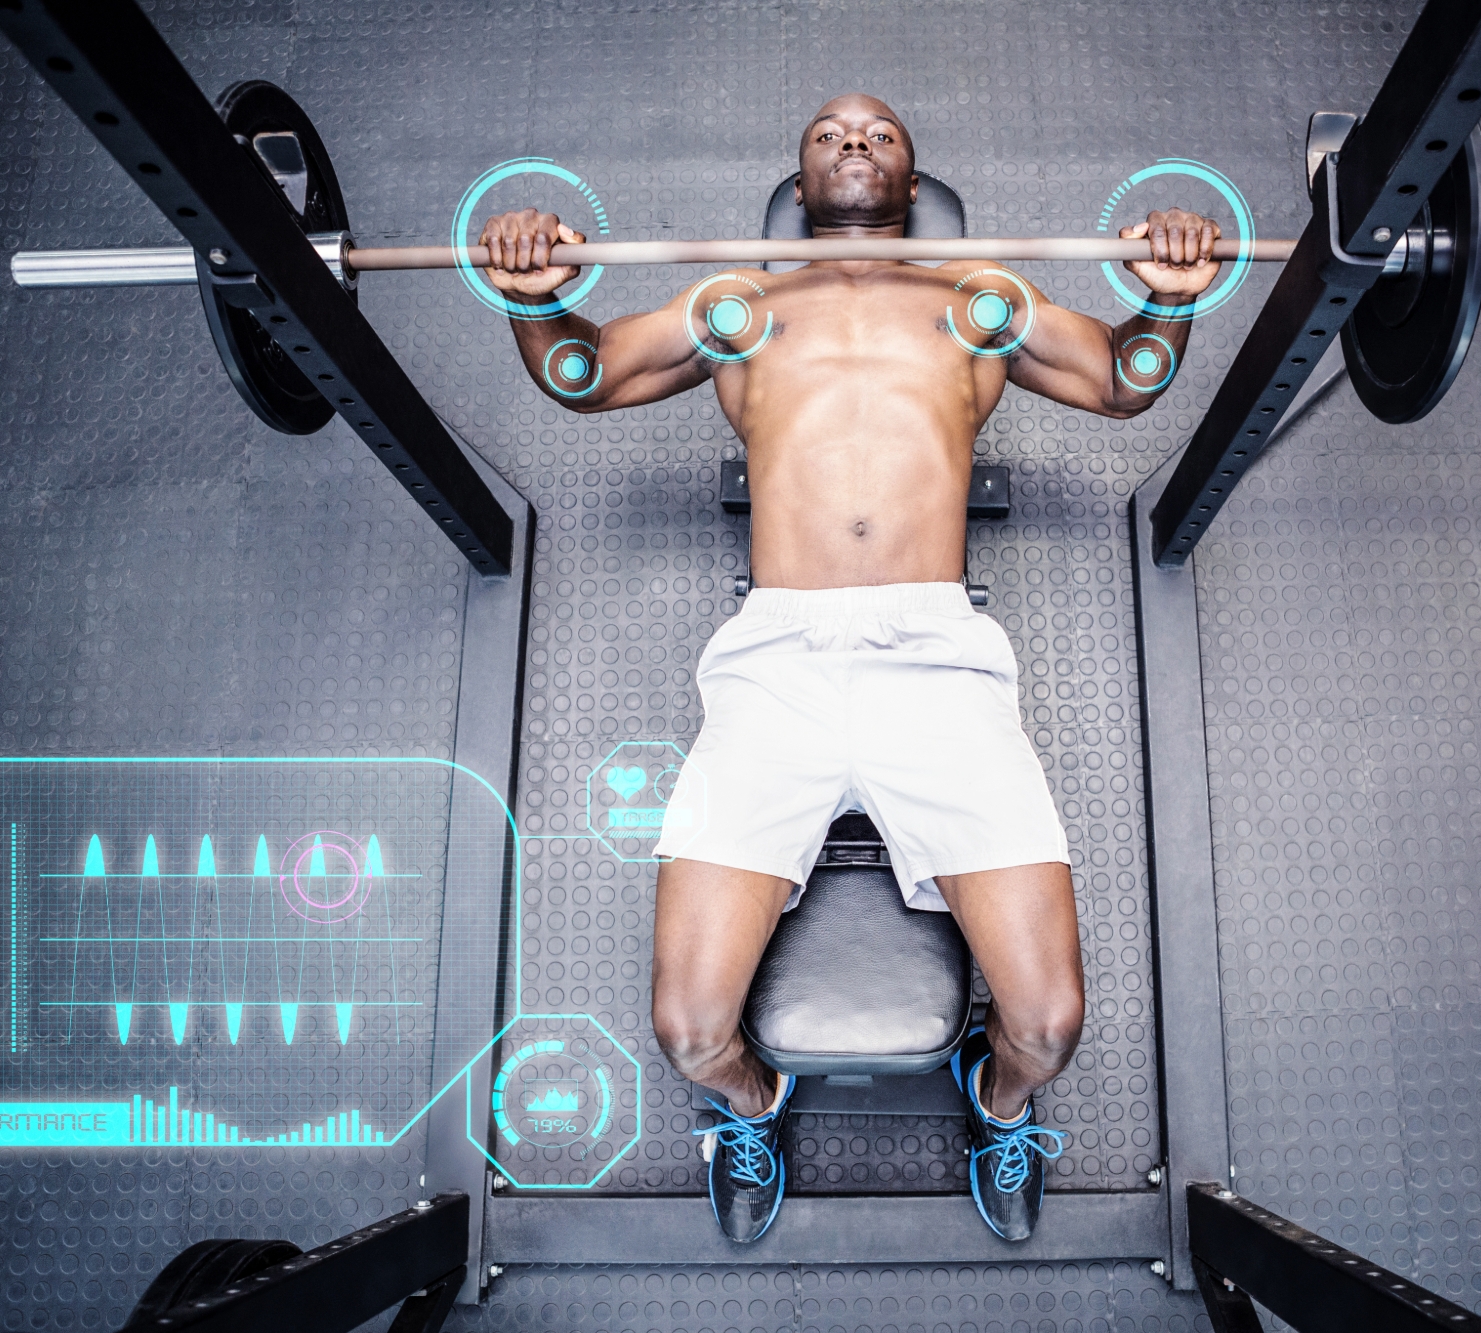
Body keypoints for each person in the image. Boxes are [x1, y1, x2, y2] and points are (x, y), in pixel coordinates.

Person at [483, 94, 1221, 1244]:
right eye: (829, 132)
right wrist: (538, 300)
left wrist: (1167, 298)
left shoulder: (978, 297)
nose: (854, 140)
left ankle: (997, 1101)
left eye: (878, 131)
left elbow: (1122, 376)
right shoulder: (740, 302)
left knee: (1048, 1023)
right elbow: (586, 374)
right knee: (687, 1030)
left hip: (937, 662)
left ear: (912, 177)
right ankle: (754, 1104)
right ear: (797, 177)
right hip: (773, 664)